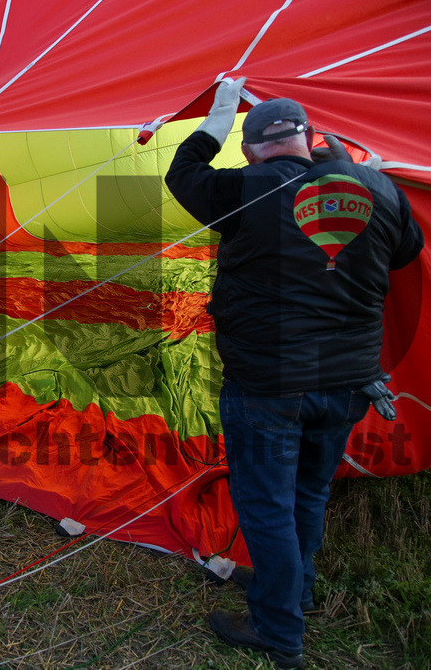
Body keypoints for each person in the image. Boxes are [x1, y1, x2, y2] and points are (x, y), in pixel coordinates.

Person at [165, 78, 423, 668]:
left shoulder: (249, 187)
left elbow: (183, 174)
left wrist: (216, 119)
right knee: (309, 492)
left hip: (269, 384)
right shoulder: (376, 189)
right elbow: (405, 253)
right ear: (308, 140)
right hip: (348, 384)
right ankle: (295, 590)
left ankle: (278, 630)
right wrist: (365, 177)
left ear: (254, 149)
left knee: (267, 504)